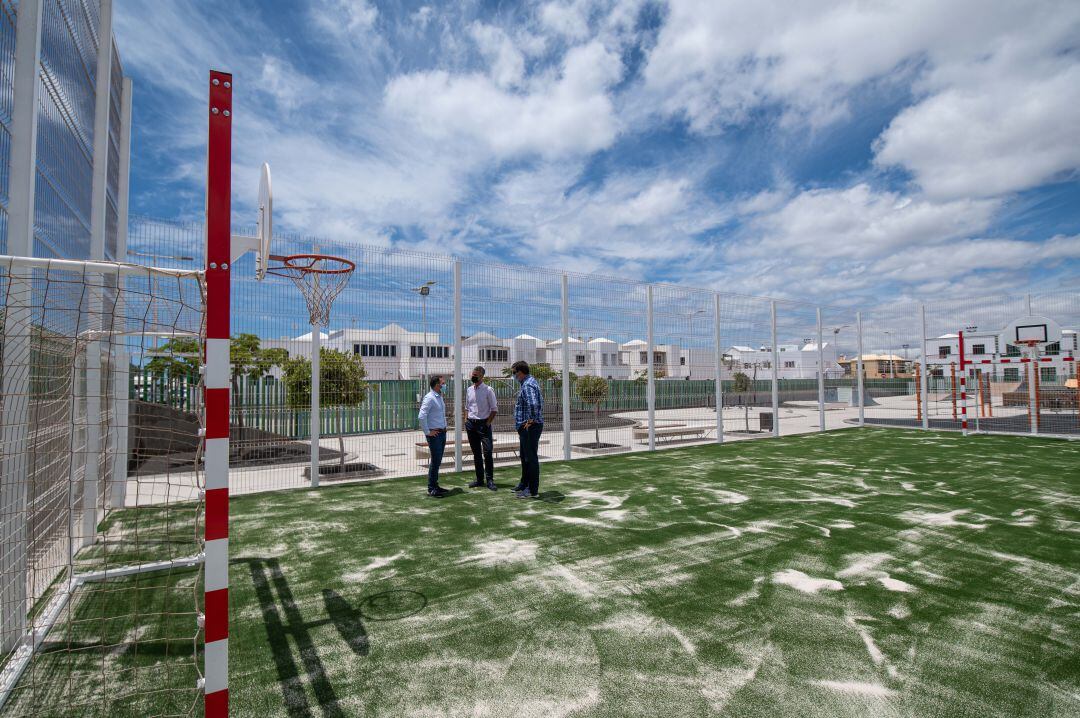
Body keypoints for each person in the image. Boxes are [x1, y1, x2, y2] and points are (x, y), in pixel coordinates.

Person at [511, 361, 543, 498]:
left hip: (530, 427)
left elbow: (534, 404)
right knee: (525, 457)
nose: (513, 375)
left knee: (530, 459)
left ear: (520, 372)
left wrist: (531, 420)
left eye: (514, 372)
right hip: (526, 426)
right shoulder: (528, 383)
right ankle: (524, 483)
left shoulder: (528, 384)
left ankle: (532, 490)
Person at [464, 366, 498, 490]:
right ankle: (479, 480)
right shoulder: (469, 390)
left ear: (482, 376)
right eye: (472, 374)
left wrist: (487, 423)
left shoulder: (488, 390)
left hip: (484, 424)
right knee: (476, 453)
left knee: (488, 453)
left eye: (476, 375)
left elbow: (494, 409)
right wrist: (466, 420)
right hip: (471, 425)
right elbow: (467, 407)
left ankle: (490, 481)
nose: (473, 376)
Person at [418, 375, 449, 498]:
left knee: (438, 461)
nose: (445, 385)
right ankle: (431, 488)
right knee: (435, 461)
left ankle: (435, 485)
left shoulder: (439, 397)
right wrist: (427, 432)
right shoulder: (429, 398)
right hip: (434, 435)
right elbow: (421, 416)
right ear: (437, 385)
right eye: (443, 383)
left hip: (442, 433)